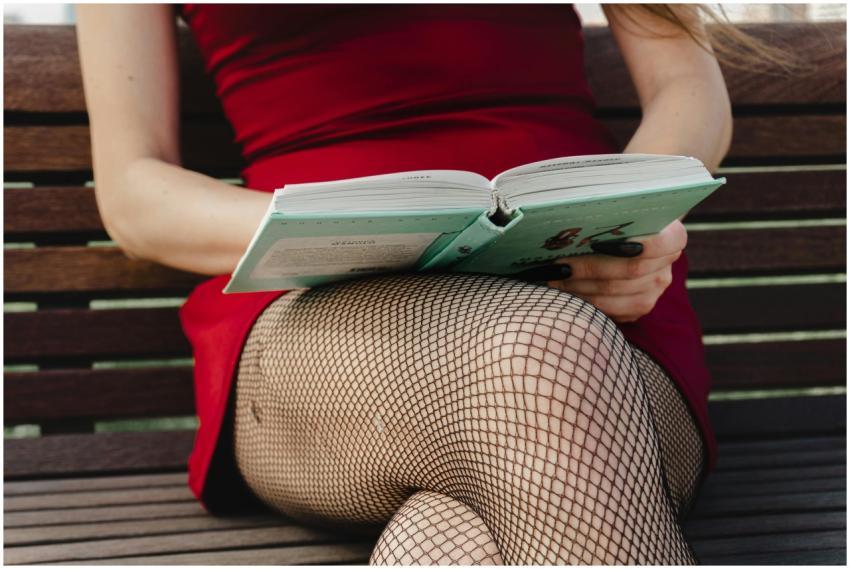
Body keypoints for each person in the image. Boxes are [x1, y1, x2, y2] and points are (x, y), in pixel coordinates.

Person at [76, 3, 736, 564]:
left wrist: (630, 214)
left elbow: (688, 87)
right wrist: (333, 227)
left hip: (587, 290)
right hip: (319, 318)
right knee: (540, 357)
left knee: (449, 540)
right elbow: (134, 194)